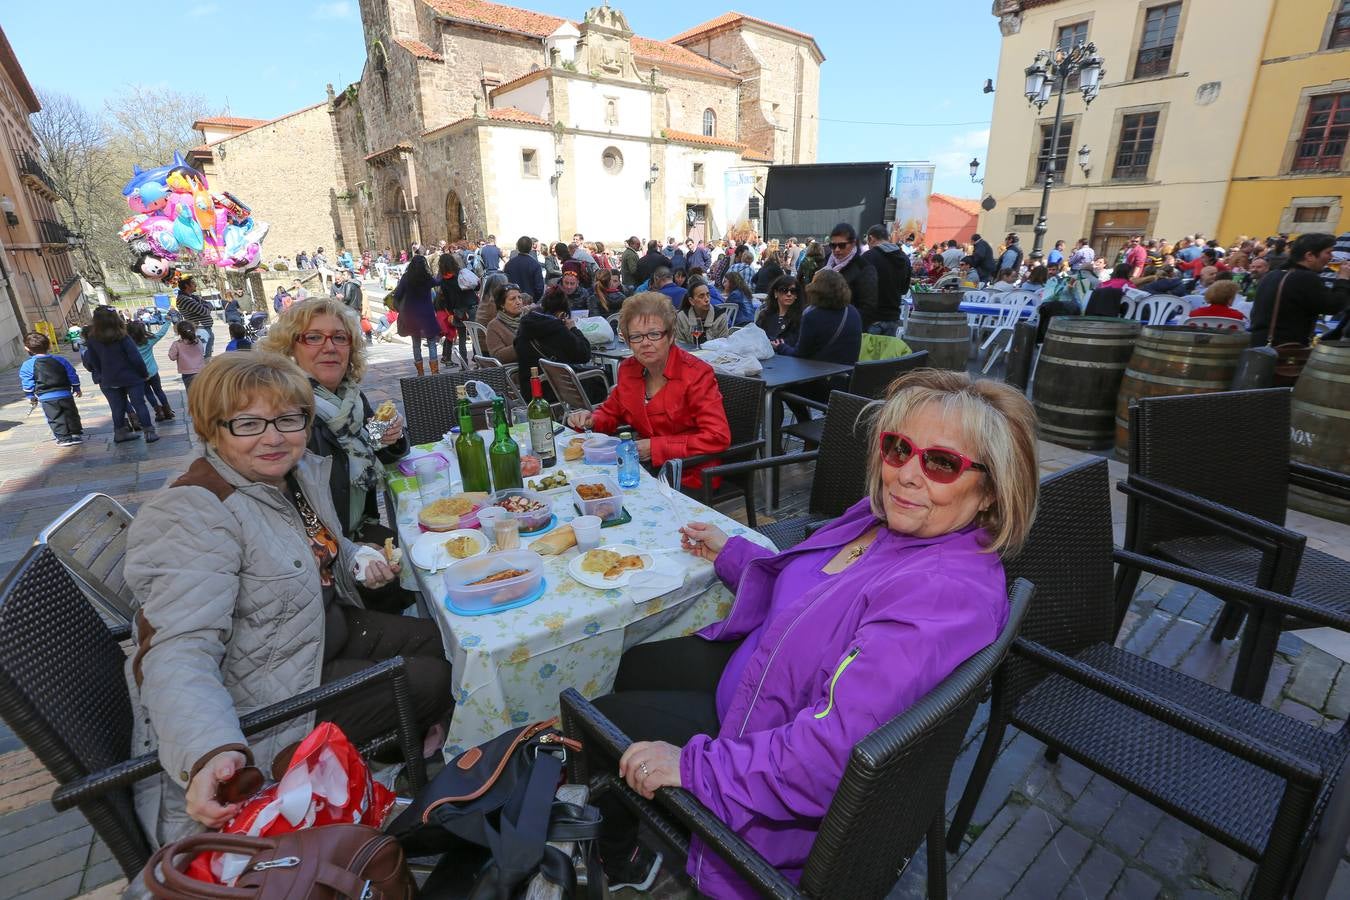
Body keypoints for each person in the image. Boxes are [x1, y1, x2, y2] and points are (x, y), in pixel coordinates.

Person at [591, 368, 1037, 896]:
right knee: (634, 662)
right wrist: (732, 552)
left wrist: (694, 768)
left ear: (989, 492)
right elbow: (814, 589)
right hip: (769, 667)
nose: (907, 475)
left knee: (602, 726)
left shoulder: (939, 593)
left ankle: (622, 857)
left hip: (765, 735)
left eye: (942, 463)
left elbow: (831, 755)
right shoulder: (884, 518)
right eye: (898, 448)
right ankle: (630, 813)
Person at [122, 352, 452, 846]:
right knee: (434, 676)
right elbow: (177, 648)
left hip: (318, 635)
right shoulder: (193, 511)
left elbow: (317, 554)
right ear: (212, 429)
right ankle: (411, 789)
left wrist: (355, 556)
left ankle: (413, 754)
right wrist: (208, 748)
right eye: (249, 423)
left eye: (288, 419)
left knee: (447, 641)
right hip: (269, 697)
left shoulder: (288, 478)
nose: (273, 436)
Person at [565, 292, 730, 490]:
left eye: (654, 334)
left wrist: (656, 447)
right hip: (641, 472)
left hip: (689, 476)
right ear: (627, 341)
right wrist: (591, 419)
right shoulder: (628, 368)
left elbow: (717, 437)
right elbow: (611, 412)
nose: (645, 343)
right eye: (636, 336)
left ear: (670, 336)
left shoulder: (696, 374)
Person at [1249, 232, 1350, 347]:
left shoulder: (1272, 274)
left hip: (1259, 344)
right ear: (1309, 256)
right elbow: (1333, 307)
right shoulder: (1306, 278)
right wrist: (1343, 279)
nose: (1331, 257)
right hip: (1285, 349)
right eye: (1328, 252)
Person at [84, 306, 158, 444]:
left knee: (117, 407)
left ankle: (120, 433)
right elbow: (135, 358)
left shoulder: (92, 339)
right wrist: (143, 373)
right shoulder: (123, 337)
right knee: (139, 404)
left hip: (109, 378)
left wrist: (102, 375)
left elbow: (93, 361)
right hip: (131, 377)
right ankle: (149, 432)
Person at [513, 290, 596, 397]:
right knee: (602, 378)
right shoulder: (557, 329)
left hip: (530, 389)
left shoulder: (525, 326)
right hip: (555, 391)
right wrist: (573, 329)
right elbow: (584, 354)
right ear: (562, 313)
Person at [20, 332, 83, 446]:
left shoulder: (28, 365)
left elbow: (27, 382)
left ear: (27, 348)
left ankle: (64, 438)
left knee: (55, 417)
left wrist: (30, 396)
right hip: (65, 393)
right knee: (71, 414)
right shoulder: (60, 360)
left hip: (46, 396)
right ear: (49, 346)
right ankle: (75, 434)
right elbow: (72, 374)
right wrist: (76, 387)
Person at [393, 253, 441, 375]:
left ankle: (420, 372)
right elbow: (437, 282)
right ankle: (434, 371)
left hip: (412, 315)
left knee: (416, 343)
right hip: (427, 314)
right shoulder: (427, 278)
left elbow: (398, 294)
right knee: (431, 342)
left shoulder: (406, 278)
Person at [860, 224, 911, 335]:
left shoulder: (868, 257)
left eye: (868, 242)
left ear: (871, 238)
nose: (868, 245)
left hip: (871, 319)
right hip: (893, 318)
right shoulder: (905, 258)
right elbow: (904, 290)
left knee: (867, 352)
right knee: (888, 352)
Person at [674, 278, 730, 345]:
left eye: (708, 295)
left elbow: (723, 343)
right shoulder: (683, 317)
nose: (707, 299)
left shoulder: (720, 316)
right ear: (691, 301)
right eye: (701, 296)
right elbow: (680, 344)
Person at [175, 276, 216, 359]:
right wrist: (206, 306)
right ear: (187, 286)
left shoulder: (193, 297)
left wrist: (205, 305)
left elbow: (210, 304)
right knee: (203, 357)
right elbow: (205, 311)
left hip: (204, 329)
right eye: (193, 283)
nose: (195, 285)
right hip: (200, 330)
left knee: (207, 355)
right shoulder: (184, 299)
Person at [757, 275, 803, 348]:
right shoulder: (765, 315)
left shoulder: (801, 317)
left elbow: (795, 341)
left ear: (796, 295)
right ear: (775, 293)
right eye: (784, 290)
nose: (789, 294)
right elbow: (756, 336)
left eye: (793, 291)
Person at [485, 283, 524, 364]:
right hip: (514, 370)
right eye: (513, 299)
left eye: (519, 297)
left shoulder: (529, 318)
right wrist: (523, 344)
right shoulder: (494, 326)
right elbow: (497, 356)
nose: (518, 302)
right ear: (502, 304)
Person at [168, 321, 206, 394]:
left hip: (187, 373)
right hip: (201, 370)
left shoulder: (177, 344)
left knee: (191, 394)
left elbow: (172, 357)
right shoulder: (198, 341)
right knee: (202, 392)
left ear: (179, 332)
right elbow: (202, 352)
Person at [505, 235, 545, 302]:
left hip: (514, 301)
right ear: (530, 247)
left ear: (518, 247)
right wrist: (533, 300)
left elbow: (506, 284)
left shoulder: (509, 264)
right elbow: (539, 288)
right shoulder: (535, 264)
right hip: (529, 301)